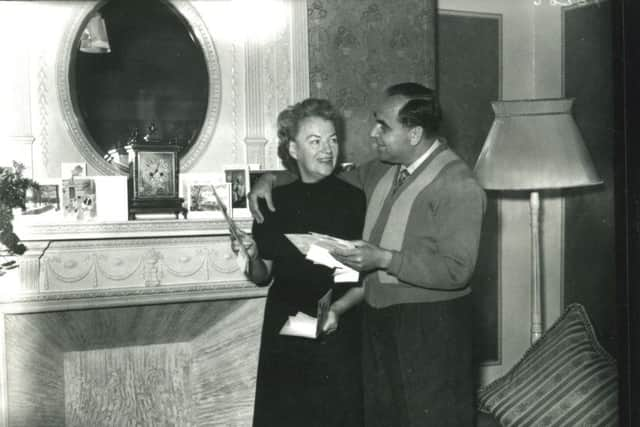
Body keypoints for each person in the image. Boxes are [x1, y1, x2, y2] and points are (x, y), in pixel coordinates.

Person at [249, 83, 486, 426]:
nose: (372, 134)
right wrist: (267, 179)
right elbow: (319, 177)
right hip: (378, 323)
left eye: (383, 127)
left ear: (414, 133)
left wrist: (385, 259)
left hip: (431, 329)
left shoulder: (458, 184)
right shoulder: (382, 169)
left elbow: (458, 270)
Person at [233, 98, 366, 427]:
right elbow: (263, 276)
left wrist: (335, 312)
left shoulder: (354, 199)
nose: (327, 150)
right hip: (286, 326)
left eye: (333, 139)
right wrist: (251, 259)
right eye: (315, 141)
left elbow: (360, 277)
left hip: (337, 322)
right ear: (293, 149)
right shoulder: (272, 201)